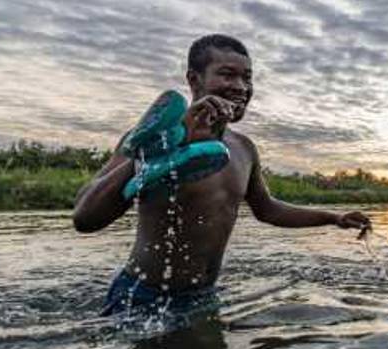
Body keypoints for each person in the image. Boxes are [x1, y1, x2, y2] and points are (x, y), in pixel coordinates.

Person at [73, 34, 372, 314]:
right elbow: (85, 218)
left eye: (247, 78)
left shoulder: (243, 148)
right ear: (194, 79)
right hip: (143, 298)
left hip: (204, 295)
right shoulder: (153, 137)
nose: (241, 87)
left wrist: (333, 218)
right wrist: (163, 147)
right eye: (227, 75)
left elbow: (267, 209)